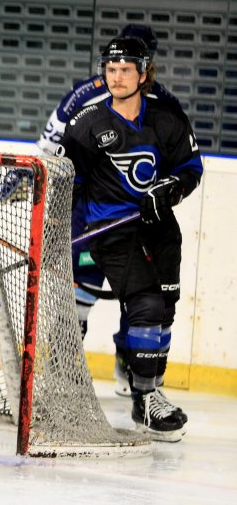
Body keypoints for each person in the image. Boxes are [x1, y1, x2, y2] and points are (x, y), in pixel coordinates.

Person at [1, 24, 184, 396]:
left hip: (138, 220)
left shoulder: (162, 105)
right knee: (78, 292)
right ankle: (61, 370)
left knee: (141, 298)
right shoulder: (85, 95)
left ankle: (130, 369)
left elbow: (175, 159)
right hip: (88, 213)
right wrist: (34, 185)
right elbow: (51, 146)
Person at [59, 36, 203, 442]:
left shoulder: (166, 118)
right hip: (111, 231)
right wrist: (69, 234)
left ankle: (150, 392)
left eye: (125, 69)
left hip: (159, 227)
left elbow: (191, 167)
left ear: (143, 73)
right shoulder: (86, 123)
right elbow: (68, 185)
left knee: (165, 308)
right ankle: (143, 395)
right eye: (111, 69)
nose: (117, 77)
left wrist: (172, 187)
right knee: (145, 303)